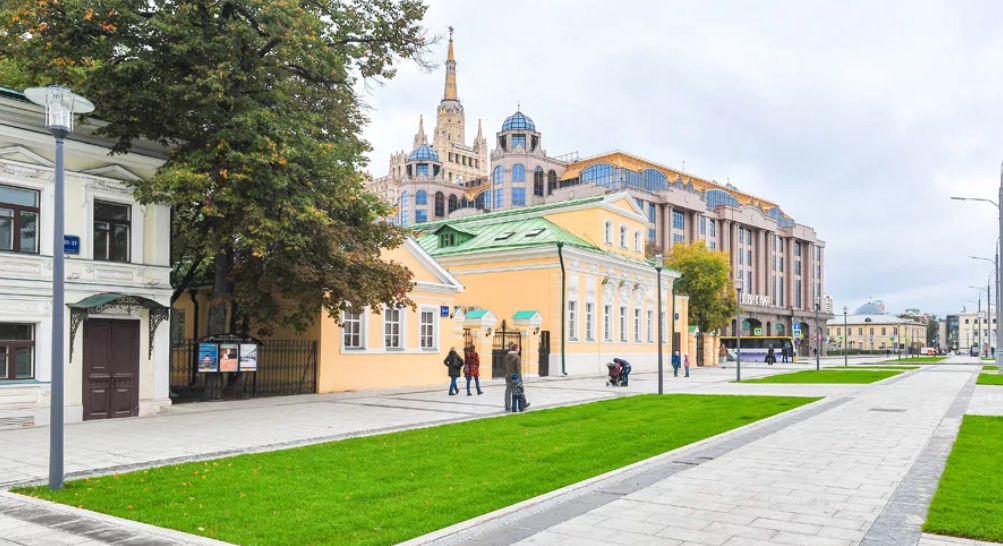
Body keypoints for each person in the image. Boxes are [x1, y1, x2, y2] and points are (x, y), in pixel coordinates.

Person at [504, 343, 529, 411]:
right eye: (518, 348)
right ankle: (523, 404)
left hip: (508, 376)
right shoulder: (517, 357)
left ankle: (507, 407)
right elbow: (518, 369)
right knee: (519, 391)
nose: (519, 349)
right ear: (516, 349)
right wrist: (520, 379)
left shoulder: (507, 356)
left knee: (508, 391)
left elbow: (506, 367)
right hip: (515, 377)